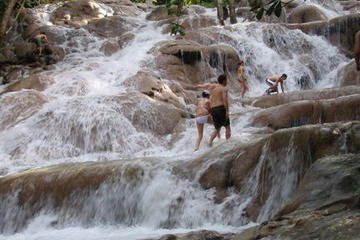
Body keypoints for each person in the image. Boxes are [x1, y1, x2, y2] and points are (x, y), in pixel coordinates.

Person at [196, 74, 231, 146]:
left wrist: (197, 86)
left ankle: (210, 142)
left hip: (214, 109)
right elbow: (225, 99)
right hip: (221, 108)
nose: (227, 81)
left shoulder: (213, 87)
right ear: (224, 80)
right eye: (226, 80)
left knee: (217, 128)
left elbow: (204, 86)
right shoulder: (223, 88)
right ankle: (228, 143)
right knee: (227, 127)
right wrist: (227, 110)